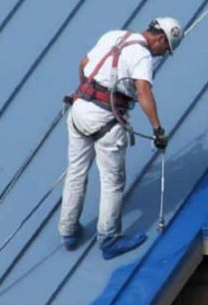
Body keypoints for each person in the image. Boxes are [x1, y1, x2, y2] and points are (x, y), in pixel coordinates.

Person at [58, 17, 183, 259]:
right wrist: (158, 130)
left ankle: (68, 232)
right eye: (165, 49)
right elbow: (144, 92)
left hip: (79, 109)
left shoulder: (113, 36)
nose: (161, 54)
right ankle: (109, 239)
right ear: (159, 39)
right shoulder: (142, 56)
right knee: (112, 181)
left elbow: (83, 64)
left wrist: (84, 90)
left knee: (76, 171)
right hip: (106, 119)